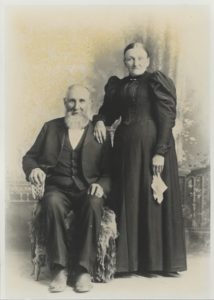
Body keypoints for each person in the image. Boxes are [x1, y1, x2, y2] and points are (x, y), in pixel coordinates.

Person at [93, 42, 187, 276]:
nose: (135, 63)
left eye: (140, 58)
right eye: (130, 59)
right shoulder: (119, 85)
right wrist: (99, 120)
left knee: (151, 198)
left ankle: (157, 263)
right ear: (125, 62)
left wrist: (159, 152)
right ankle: (129, 263)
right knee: (129, 197)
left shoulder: (156, 82)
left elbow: (166, 118)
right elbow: (109, 111)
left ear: (148, 60)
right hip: (125, 149)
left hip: (153, 148)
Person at [22, 84, 112, 293]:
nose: (76, 106)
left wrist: (101, 185)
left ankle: (83, 270)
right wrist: (33, 169)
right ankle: (59, 270)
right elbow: (29, 157)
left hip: (87, 189)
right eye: (72, 101)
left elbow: (110, 171)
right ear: (65, 103)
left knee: (94, 203)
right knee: (51, 202)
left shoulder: (99, 133)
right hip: (57, 189)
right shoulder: (50, 128)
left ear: (89, 104)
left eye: (82, 101)